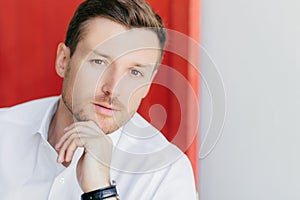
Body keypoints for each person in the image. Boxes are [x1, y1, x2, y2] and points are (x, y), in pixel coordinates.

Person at [0, 0, 197, 199]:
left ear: (147, 84)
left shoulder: (165, 174)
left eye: (135, 73)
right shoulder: (4, 130)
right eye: (99, 61)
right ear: (63, 61)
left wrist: (101, 190)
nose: (113, 89)